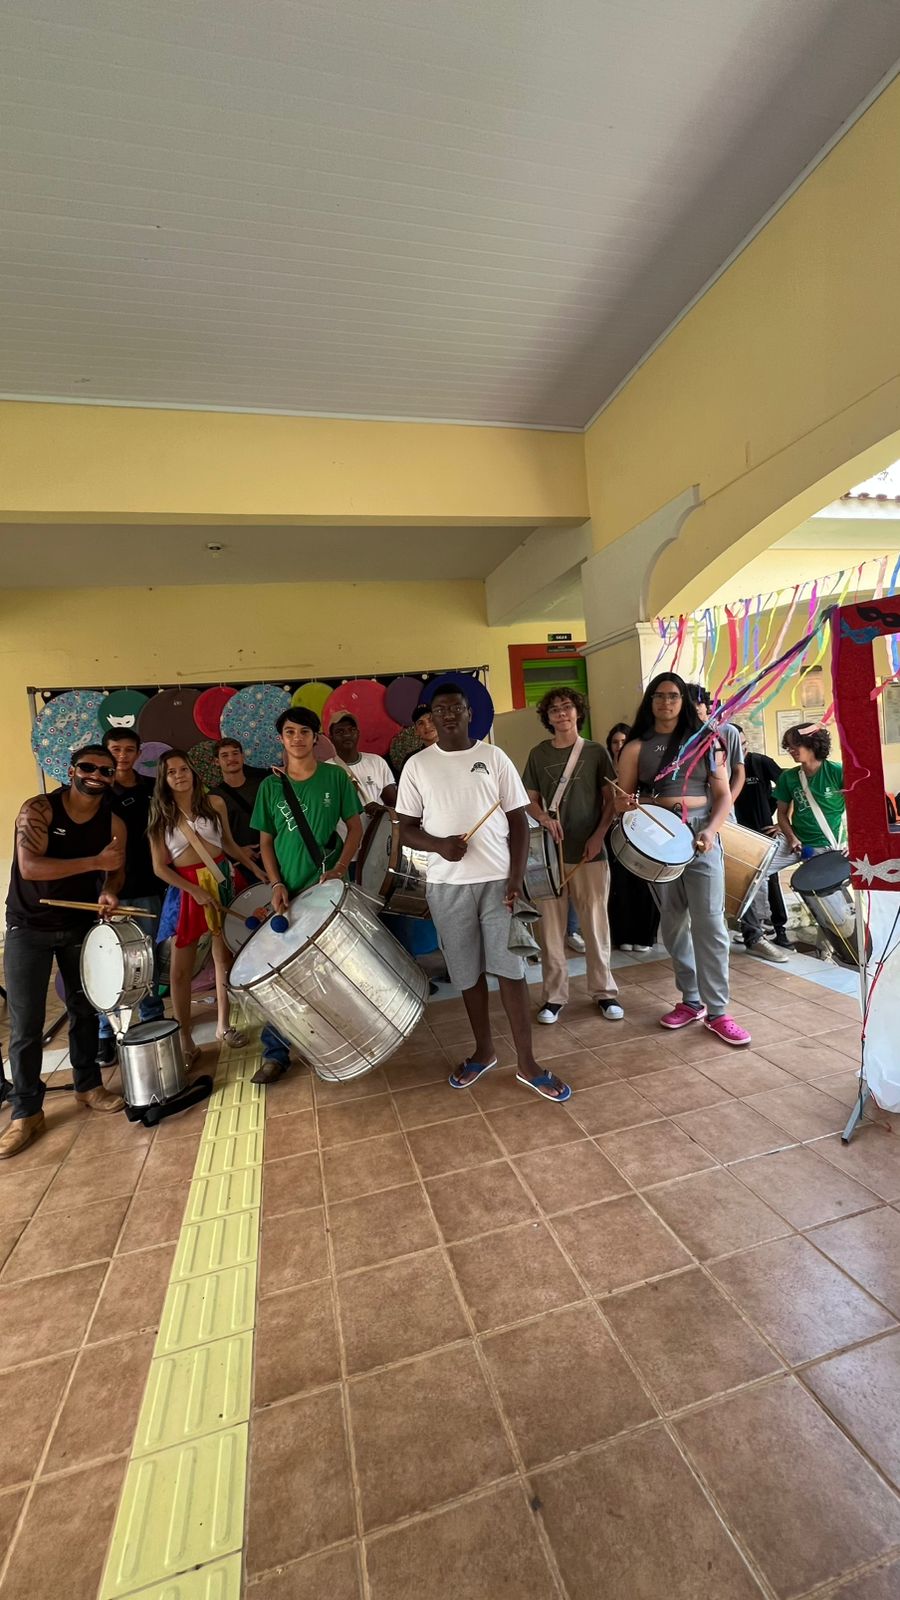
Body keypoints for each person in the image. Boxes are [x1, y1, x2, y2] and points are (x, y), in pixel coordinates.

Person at [396, 683, 572, 1101]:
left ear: (469, 713)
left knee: (511, 972)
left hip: (498, 883)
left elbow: (518, 821)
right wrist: (439, 845)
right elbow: (405, 829)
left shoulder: (493, 757)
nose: (448, 715)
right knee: (467, 974)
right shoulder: (418, 765)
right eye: (440, 710)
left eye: (456, 708)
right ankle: (484, 1051)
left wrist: (515, 878)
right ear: (431, 717)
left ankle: (527, 1063)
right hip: (446, 886)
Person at [1, 744, 127, 1159]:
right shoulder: (38, 810)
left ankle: (88, 1086)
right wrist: (94, 862)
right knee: (26, 1024)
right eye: (88, 767)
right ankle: (26, 1111)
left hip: (78, 925)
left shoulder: (113, 822)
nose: (96, 775)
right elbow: (30, 867)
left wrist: (109, 891)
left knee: (84, 1009)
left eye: (105, 771)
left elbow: (116, 870)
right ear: (72, 771)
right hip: (28, 927)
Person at [616, 674, 751, 1047]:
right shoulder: (635, 748)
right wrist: (625, 804)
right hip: (659, 837)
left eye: (673, 696)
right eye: (659, 696)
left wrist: (710, 830)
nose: (666, 702)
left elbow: (722, 795)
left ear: (683, 701)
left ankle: (718, 1011)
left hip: (701, 835)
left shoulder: (707, 741)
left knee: (710, 924)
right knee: (673, 923)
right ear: (650, 701)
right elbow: (620, 800)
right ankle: (691, 1000)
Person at [249, 706, 364, 1083]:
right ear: (281, 739)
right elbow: (266, 842)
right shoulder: (270, 787)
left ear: (316, 738)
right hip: (288, 893)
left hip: (327, 889)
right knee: (281, 974)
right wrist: (275, 883)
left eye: (304, 732)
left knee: (334, 969)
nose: (297, 738)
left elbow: (355, 827)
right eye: (289, 732)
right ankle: (275, 1052)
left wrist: (339, 870)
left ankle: (336, 1042)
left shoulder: (335, 777)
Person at [149, 750, 265, 1066]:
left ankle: (223, 1025)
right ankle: (185, 1039)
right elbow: (160, 867)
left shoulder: (214, 803)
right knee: (180, 969)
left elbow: (228, 844)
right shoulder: (161, 815)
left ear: (193, 772)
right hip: (187, 889)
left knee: (223, 957)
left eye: (184, 769)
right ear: (164, 779)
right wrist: (194, 890)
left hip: (222, 878)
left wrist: (254, 869)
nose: (179, 775)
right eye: (172, 772)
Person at [523, 689, 622, 1026]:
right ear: (547, 718)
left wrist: (598, 836)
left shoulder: (595, 752)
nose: (562, 713)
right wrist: (543, 818)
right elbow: (528, 799)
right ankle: (553, 997)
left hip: (590, 853)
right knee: (550, 929)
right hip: (547, 856)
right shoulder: (538, 754)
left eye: (567, 707)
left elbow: (610, 801)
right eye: (554, 710)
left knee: (595, 924)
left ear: (578, 712)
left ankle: (604, 991)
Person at [97, 727, 166, 1065]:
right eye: (115, 750)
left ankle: (153, 1019)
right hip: (105, 892)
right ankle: (106, 1032)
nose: (122, 756)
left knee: (147, 958)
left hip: (148, 885)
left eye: (128, 750)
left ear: (139, 753)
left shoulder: (153, 788)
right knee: (109, 963)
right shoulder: (94, 791)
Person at [731, 725, 790, 950]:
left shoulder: (759, 762)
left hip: (763, 831)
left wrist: (780, 822)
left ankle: (780, 931)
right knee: (743, 882)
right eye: (737, 746)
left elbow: (790, 787)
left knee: (770, 880)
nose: (743, 749)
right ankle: (753, 928)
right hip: (737, 833)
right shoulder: (723, 767)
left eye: (744, 744)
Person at [605, 721, 659, 953]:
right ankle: (622, 935)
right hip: (615, 836)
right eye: (614, 742)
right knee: (619, 887)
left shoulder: (646, 771)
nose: (619, 746)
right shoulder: (607, 775)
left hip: (643, 837)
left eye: (623, 741)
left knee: (644, 886)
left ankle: (645, 937)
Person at [774, 724, 845, 858]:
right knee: (760, 866)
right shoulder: (787, 777)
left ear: (812, 744)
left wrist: (854, 843)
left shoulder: (837, 772)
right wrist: (791, 838)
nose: (791, 750)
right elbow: (782, 813)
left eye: (795, 745)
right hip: (798, 842)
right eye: (788, 746)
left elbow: (859, 810)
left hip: (832, 842)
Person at [327, 712, 397, 815]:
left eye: (352, 730)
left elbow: (393, 802)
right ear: (331, 737)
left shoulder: (377, 762)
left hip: (377, 825)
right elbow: (326, 808)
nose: (347, 735)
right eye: (340, 731)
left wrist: (380, 809)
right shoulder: (326, 770)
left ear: (358, 733)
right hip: (346, 826)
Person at [210, 738, 266, 855]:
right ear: (216, 761)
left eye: (235, 753)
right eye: (225, 755)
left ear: (242, 756)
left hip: (273, 850)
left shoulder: (262, 785)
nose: (231, 758)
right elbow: (213, 835)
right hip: (241, 859)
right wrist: (237, 852)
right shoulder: (213, 797)